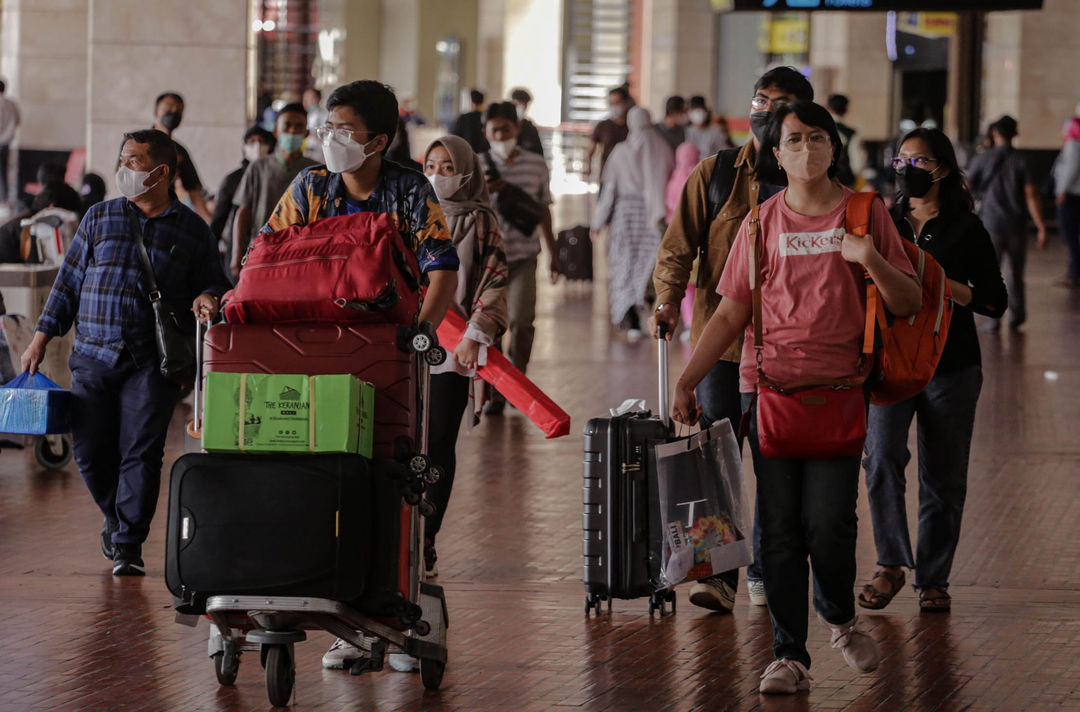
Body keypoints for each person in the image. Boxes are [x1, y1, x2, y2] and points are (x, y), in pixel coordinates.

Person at [671, 101, 920, 694]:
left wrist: (873, 260)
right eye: (794, 140)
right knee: (778, 530)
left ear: (834, 147)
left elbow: (909, 300)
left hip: (839, 394)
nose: (806, 149)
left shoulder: (866, 213)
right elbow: (732, 310)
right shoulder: (760, 223)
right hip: (771, 394)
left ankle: (837, 615)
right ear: (776, 154)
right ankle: (789, 655)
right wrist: (687, 379)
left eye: (817, 138)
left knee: (830, 522)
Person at [21, 129, 229, 576]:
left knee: (141, 450)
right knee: (92, 451)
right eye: (123, 159)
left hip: (152, 362)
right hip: (93, 353)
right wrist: (41, 336)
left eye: (133, 161)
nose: (124, 169)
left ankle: (129, 543)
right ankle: (116, 519)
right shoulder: (98, 217)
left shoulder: (192, 229)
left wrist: (208, 297)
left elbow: (215, 280)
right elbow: (69, 282)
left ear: (162, 171)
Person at [650, 65, 814, 613]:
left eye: (780, 103)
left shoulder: (814, 183)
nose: (765, 112)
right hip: (721, 344)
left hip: (787, 349)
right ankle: (717, 574)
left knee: (772, 463)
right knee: (714, 456)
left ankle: (765, 567)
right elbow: (678, 245)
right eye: (759, 100)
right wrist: (668, 298)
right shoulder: (717, 172)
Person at [859, 128, 1007, 616]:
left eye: (917, 162)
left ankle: (934, 578)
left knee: (943, 478)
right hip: (890, 364)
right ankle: (891, 563)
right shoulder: (883, 221)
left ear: (941, 169)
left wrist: (948, 288)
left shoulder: (967, 227)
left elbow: (994, 301)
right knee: (880, 460)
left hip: (952, 367)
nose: (907, 171)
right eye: (900, 162)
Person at [420, 134, 508, 578]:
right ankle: (398, 535)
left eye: (448, 168)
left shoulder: (481, 221)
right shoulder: (409, 213)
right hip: (403, 347)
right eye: (431, 166)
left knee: (437, 443)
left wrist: (476, 333)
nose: (437, 175)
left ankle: (427, 536)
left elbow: (493, 278)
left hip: (453, 349)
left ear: (467, 173)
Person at [479, 101, 559, 416]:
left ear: (517, 130)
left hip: (525, 255)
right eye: (494, 130)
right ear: (485, 132)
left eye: (506, 129)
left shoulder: (536, 164)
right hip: (489, 259)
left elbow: (544, 211)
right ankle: (499, 388)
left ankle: (517, 376)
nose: (500, 135)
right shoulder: (475, 164)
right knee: (491, 326)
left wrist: (554, 253)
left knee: (522, 321)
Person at [591, 107, 673, 339]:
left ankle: (630, 318)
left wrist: (597, 223)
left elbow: (609, 191)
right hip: (652, 216)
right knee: (647, 266)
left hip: (625, 216)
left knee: (623, 265)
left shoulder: (620, 152)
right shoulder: (662, 148)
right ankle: (643, 308)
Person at [966, 115, 1047, 331]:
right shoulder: (1023, 160)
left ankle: (993, 318)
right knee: (1016, 273)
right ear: (1014, 134)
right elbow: (1031, 195)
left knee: (990, 273)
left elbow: (966, 186)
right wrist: (1040, 226)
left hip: (989, 225)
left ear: (994, 134)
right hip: (1016, 226)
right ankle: (1017, 316)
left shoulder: (982, 158)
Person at [230, 106, 317, 279]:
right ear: (276, 130)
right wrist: (236, 254)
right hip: (260, 250)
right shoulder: (258, 167)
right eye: (287, 125)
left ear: (306, 133)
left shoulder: (313, 171)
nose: (292, 131)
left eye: (299, 126)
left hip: (300, 256)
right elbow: (243, 211)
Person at [209, 126, 275, 277]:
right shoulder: (233, 179)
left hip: (271, 246)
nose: (257, 146)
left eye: (261, 141)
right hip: (239, 247)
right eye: (252, 142)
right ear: (244, 146)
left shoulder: (275, 175)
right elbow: (219, 218)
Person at [152, 92, 212, 222]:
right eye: (169, 107)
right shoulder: (137, 143)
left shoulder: (179, 151)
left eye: (178, 111)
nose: (173, 112)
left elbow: (195, 190)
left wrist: (210, 227)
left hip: (169, 217)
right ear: (156, 111)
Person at [665, 142, 701, 340]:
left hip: (678, 238)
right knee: (701, 282)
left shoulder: (674, 179)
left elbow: (669, 209)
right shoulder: (702, 178)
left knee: (685, 283)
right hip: (699, 237)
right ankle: (700, 321)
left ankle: (689, 322)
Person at [1054, 107, 1080, 287]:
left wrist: (1061, 190)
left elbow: (1071, 169)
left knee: (1069, 234)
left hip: (1071, 195)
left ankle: (1074, 273)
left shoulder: (1074, 144)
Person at [583, 86, 633, 181]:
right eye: (611, 103)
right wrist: (588, 166)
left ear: (626, 103)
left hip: (628, 176)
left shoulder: (633, 126)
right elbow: (591, 149)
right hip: (607, 175)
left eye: (617, 102)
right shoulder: (602, 126)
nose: (614, 106)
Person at [826, 94, 864, 189]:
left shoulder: (820, 130)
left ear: (827, 108)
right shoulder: (852, 133)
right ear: (846, 110)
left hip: (824, 178)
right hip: (846, 180)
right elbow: (857, 163)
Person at [450, 89, 490, 154]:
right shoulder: (487, 118)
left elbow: (454, 138)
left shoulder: (463, 118)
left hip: (466, 154)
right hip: (484, 155)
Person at [0, 80, 20, 203]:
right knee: (4, 172)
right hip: (6, 142)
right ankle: (5, 198)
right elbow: (17, 120)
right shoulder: (11, 104)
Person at [510, 87, 544, 157]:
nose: (523, 107)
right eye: (519, 103)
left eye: (525, 104)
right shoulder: (505, 125)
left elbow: (538, 152)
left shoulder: (530, 127)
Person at [303, 88, 328, 162]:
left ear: (319, 98)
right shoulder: (308, 115)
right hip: (309, 149)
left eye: (311, 98)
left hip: (320, 151)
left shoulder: (324, 115)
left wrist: (311, 134)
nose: (307, 101)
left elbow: (326, 134)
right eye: (305, 98)